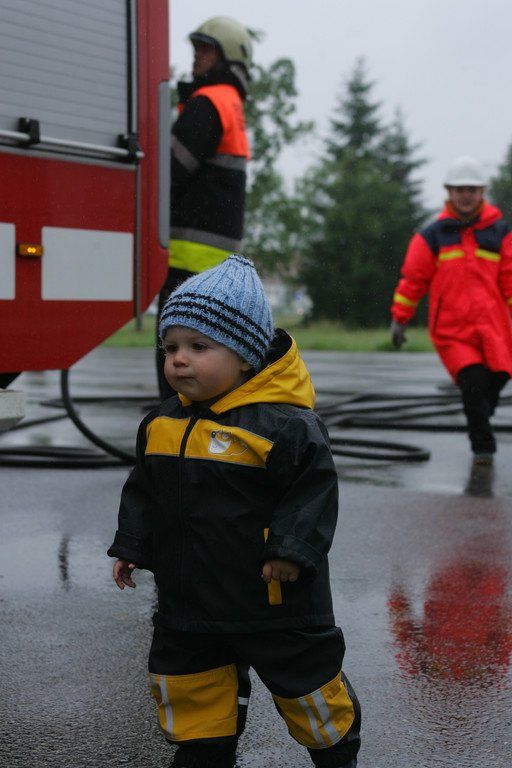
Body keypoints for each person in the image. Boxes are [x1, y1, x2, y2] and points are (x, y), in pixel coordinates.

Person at [109, 254, 361, 768]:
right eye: (171, 347)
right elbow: (144, 491)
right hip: (188, 602)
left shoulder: (284, 425)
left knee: (307, 689)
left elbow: (312, 493)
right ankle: (204, 754)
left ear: (245, 356)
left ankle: (336, 755)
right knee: (193, 687)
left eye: (199, 347)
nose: (179, 360)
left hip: (272, 600)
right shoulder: (162, 423)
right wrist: (133, 544)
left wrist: (290, 549)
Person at [390, 156, 512, 464]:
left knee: (499, 375)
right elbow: (413, 281)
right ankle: (483, 449)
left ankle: (480, 414)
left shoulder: (500, 233)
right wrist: (400, 319)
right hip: (452, 330)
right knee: (473, 381)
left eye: (472, 189)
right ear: (449, 192)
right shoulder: (432, 236)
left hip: (493, 327)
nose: (466, 195)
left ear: (482, 192)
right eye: (460, 190)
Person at [156, 16, 252, 399]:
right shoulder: (231, 105)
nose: (196, 56)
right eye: (195, 48)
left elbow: (168, 174)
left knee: (176, 360)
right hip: (215, 265)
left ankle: (173, 429)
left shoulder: (208, 103)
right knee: (207, 363)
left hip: (186, 263)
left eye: (206, 49)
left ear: (227, 57)